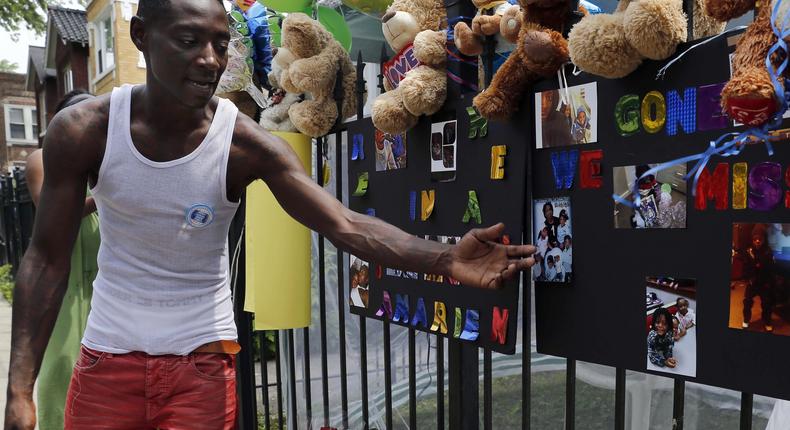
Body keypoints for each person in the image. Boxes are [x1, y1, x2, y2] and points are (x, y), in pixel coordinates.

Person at [3, 1, 537, 428]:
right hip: (107, 362)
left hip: (201, 367)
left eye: (220, 43)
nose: (210, 60)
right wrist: (19, 393)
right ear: (141, 36)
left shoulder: (242, 143)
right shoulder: (86, 130)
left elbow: (344, 223)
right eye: (189, 41)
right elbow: (46, 261)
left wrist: (444, 258)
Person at [25, 90, 98, 430]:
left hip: (104, 282)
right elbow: (50, 208)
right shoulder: (42, 158)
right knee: (61, 369)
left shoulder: (102, 160)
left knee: (103, 377)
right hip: (63, 284)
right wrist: (105, 192)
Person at [742, 224, 776, 331]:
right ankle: (746, 319)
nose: (757, 241)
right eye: (755, 239)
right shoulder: (749, 251)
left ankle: (767, 321)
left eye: (760, 239)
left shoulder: (768, 252)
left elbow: (771, 269)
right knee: (747, 301)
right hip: (752, 282)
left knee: (767, 303)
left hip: (764, 283)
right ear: (752, 240)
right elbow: (745, 268)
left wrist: (769, 283)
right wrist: (748, 278)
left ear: (764, 239)